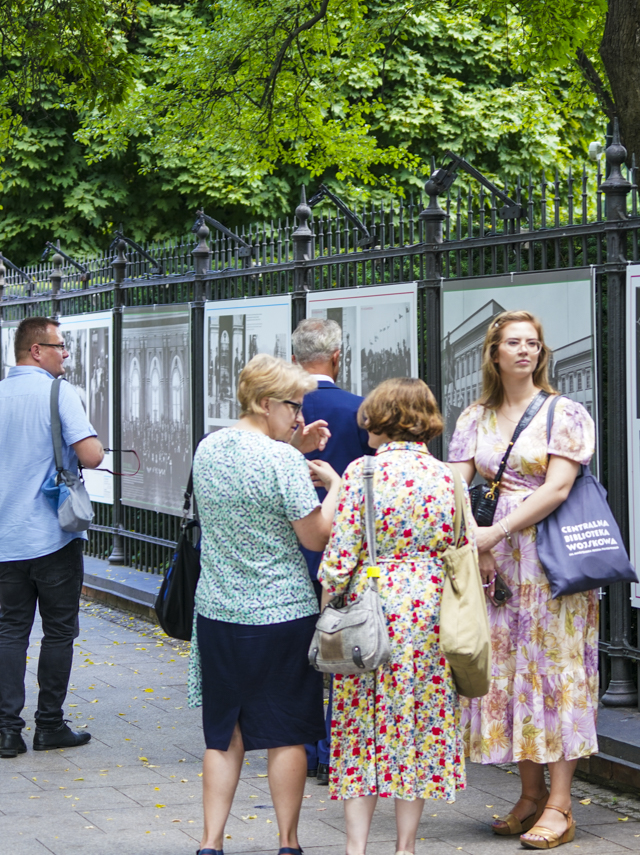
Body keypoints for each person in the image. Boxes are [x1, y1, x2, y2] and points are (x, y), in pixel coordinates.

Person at [448, 309, 597, 850]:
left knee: (556, 674)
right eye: (513, 342)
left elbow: (557, 488)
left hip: (549, 562)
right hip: (497, 569)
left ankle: (560, 805)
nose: (525, 351)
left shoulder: (565, 413)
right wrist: (477, 543)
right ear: (494, 353)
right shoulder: (475, 417)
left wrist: (500, 531)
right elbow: (455, 485)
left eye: (533, 343)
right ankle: (530, 796)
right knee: (511, 674)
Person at [189, 353, 338, 855]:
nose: (299, 417)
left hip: (218, 612)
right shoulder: (282, 461)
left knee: (223, 733)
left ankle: (210, 842)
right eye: (293, 406)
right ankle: (288, 842)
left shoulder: (208, 448)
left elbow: (251, 480)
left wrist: (295, 448)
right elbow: (316, 536)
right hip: (282, 614)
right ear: (264, 402)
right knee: (286, 734)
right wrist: (335, 488)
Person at [319, 378, 467, 855]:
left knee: (359, 726)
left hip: (372, 607)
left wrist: (328, 609)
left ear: (380, 419)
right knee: (417, 725)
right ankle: (405, 847)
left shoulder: (363, 472)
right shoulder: (449, 477)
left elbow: (340, 558)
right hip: (428, 610)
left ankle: (356, 848)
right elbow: (461, 547)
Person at [0, 316, 105, 757]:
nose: (65, 353)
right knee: (59, 630)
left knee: (12, 629)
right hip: (53, 535)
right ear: (36, 350)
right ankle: (49, 724)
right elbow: (91, 454)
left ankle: (8, 731)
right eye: (59, 345)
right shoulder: (58, 393)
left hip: (3, 535)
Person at [290, 315, 371, 780]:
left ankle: (303, 747)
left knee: (299, 647)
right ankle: (334, 742)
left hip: (293, 539)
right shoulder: (359, 410)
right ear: (338, 357)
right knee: (341, 644)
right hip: (344, 544)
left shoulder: (282, 409)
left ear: (295, 356)